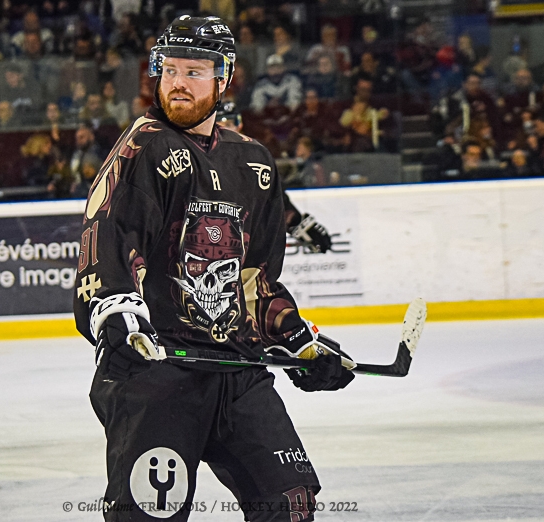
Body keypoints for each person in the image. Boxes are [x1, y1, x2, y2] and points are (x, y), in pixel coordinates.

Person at [73, 16, 353, 522]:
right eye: (170, 69)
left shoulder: (254, 162)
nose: (178, 82)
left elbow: (257, 283)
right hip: (159, 369)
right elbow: (111, 236)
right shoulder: (145, 146)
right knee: (148, 516)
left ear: (224, 80)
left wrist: (297, 340)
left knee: (290, 503)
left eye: (195, 71)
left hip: (236, 370)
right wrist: (113, 309)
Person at [216, 101, 333, 253]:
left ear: (239, 126)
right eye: (218, 124)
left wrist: (296, 223)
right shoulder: (195, 157)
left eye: (229, 123)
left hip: (243, 247)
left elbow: (274, 200)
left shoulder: (255, 159)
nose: (224, 129)